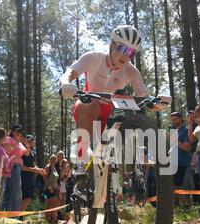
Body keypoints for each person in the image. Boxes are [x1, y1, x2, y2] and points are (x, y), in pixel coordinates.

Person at [59, 25, 171, 174]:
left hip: (108, 110)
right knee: (92, 106)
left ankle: (105, 181)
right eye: (123, 49)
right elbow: (69, 73)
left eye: (132, 53)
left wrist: (159, 103)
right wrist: (66, 84)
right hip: (86, 103)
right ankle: (80, 162)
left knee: (107, 147)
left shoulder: (131, 71)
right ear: (112, 44)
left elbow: (145, 98)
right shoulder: (93, 58)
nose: (126, 56)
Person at [1, 124, 30, 212]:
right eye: (17, 131)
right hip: (11, 165)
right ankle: (14, 214)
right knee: (16, 191)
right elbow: (8, 151)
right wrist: (16, 141)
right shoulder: (8, 139)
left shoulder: (21, 144)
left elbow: (27, 154)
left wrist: (27, 145)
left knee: (10, 190)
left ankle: (5, 212)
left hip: (18, 167)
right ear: (12, 131)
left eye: (20, 132)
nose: (19, 134)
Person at [170, 111, 192, 206]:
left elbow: (187, 148)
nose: (174, 121)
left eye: (175, 119)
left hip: (182, 162)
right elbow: (173, 147)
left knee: (178, 186)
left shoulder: (186, 130)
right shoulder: (175, 132)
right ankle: (177, 207)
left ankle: (186, 206)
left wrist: (176, 141)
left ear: (180, 119)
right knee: (173, 185)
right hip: (173, 162)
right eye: (172, 120)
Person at [21, 135, 45, 211]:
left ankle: (20, 216)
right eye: (28, 141)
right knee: (23, 197)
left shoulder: (33, 152)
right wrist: (34, 170)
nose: (30, 142)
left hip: (31, 177)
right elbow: (21, 166)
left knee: (28, 198)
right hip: (22, 176)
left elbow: (34, 165)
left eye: (32, 141)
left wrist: (39, 169)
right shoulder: (22, 150)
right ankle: (17, 217)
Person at [43, 155, 62, 224]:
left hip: (55, 188)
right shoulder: (47, 167)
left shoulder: (54, 168)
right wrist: (49, 187)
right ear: (49, 159)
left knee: (50, 204)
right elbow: (44, 178)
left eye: (55, 159)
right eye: (52, 159)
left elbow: (56, 180)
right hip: (49, 188)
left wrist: (58, 190)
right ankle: (53, 219)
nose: (54, 160)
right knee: (54, 203)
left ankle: (49, 219)